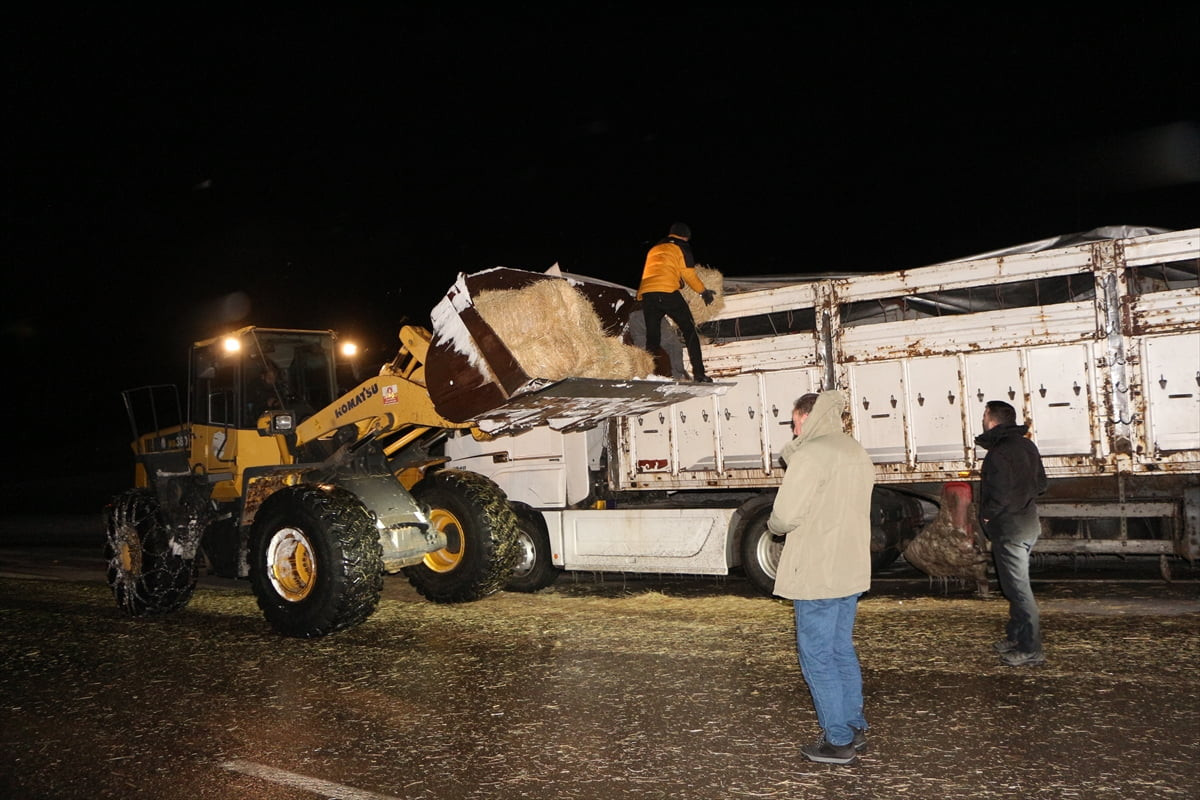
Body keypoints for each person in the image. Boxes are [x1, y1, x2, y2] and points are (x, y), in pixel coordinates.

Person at [767, 390, 876, 766]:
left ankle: (838, 740)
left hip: (817, 570)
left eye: (794, 422)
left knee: (817, 656)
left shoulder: (811, 455)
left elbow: (784, 516)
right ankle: (854, 726)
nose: (794, 429)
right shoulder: (854, 450)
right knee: (840, 648)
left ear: (806, 417)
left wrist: (773, 525)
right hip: (850, 567)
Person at [976, 400, 1048, 667]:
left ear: (992, 419)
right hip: (1028, 524)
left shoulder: (998, 453)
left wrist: (987, 515)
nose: (982, 420)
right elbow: (1042, 484)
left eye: (984, 415)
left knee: (1019, 590)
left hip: (1010, 529)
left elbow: (1000, 495)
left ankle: (1031, 649)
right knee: (1014, 586)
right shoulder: (1027, 446)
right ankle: (1016, 636)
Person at [636, 222, 715, 382]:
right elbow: (689, 274)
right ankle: (699, 374)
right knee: (689, 331)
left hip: (647, 294)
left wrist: (677, 281)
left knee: (653, 338)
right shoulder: (681, 246)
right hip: (667, 292)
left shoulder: (655, 248)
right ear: (685, 237)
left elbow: (658, 271)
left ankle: (648, 373)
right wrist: (703, 291)